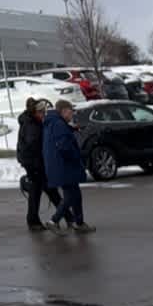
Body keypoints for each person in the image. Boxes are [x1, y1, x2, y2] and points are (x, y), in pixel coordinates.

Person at [42, 100, 95, 233]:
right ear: (64, 111)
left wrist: (72, 128)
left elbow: (60, 137)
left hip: (60, 166)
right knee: (71, 196)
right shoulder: (59, 124)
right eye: (71, 111)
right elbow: (64, 146)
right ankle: (53, 221)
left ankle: (79, 222)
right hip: (64, 166)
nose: (72, 114)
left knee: (75, 195)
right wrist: (77, 157)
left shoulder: (54, 122)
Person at [16, 97, 61, 231]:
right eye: (42, 112)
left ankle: (65, 215)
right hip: (33, 163)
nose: (44, 114)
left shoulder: (33, 122)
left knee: (46, 189)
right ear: (35, 112)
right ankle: (34, 221)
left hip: (33, 162)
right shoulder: (32, 125)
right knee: (40, 190)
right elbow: (33, 145)